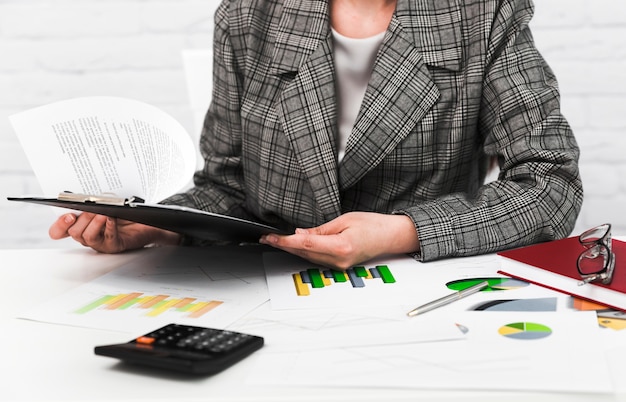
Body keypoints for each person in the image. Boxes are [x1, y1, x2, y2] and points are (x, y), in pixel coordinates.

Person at [49, 0, 583, 270]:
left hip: (415, 283)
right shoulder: (248, 15)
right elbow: (229, 189)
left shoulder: (484, 12)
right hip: (266, 292)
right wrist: (157, 226)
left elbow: (551, 184)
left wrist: (402, 233)